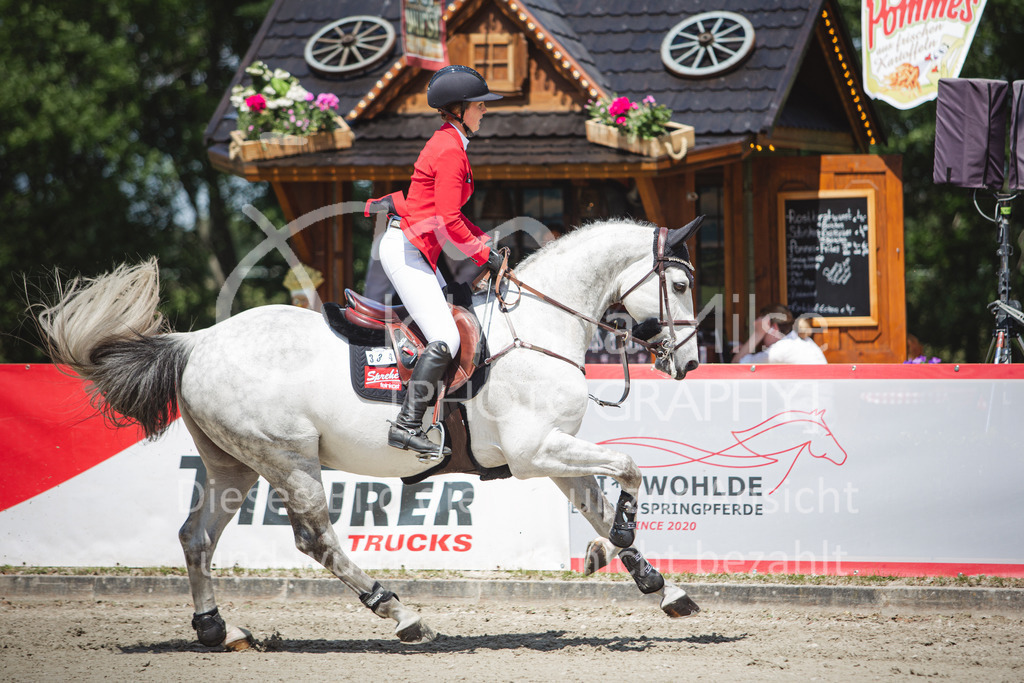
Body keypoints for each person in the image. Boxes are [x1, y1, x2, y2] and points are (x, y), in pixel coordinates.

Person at [365, 65, 505, 456]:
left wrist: (485, 245)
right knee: (445, 337)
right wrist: (483, 253)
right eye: (479, 105)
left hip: (418, 250)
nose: (484, 111)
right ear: (458, 108)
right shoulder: (448, 150)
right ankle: (406, 424)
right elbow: (447, 218)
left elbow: (450, 217)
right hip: (407, 250)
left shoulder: (452, 143)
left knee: (458, 320)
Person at [732, 304, 827, 364]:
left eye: (763, 331)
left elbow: (736, 365)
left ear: (774, 328)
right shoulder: (800, 341)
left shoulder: (780, 350)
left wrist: (757, 334)